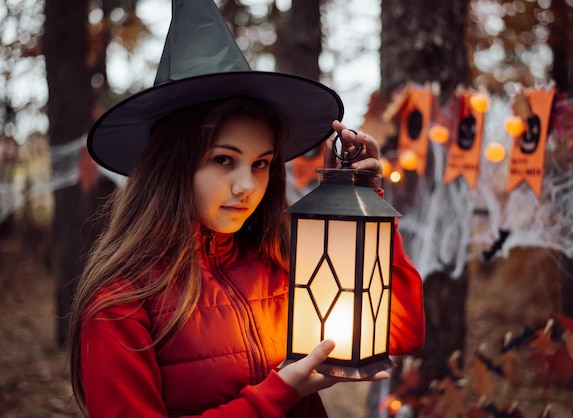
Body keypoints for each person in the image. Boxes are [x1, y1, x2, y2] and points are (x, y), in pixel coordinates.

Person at [68, 1, 425, 417]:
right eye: (224, 160)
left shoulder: (280, 260)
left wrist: (361, 203)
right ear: (173, 166)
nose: (248, 186)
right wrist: (278, 394)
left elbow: (400, 329)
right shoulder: (122, 302)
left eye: (261, 164)